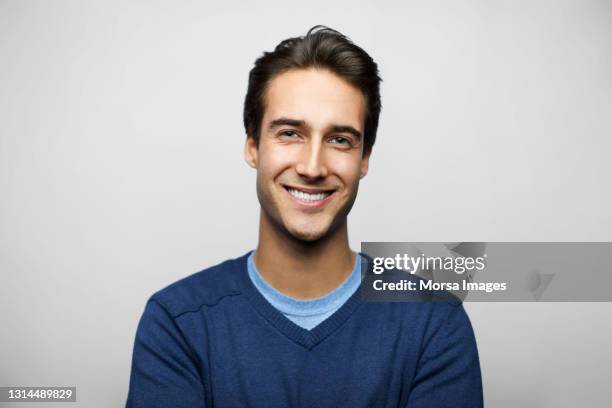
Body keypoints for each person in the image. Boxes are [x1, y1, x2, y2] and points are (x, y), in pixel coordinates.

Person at [126, 25, 483, 408]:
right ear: (252, 147)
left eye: (339, 140)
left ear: (364, 159)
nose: (313, 167)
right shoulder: (178, 322)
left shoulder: (434, 323)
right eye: (290, 133)